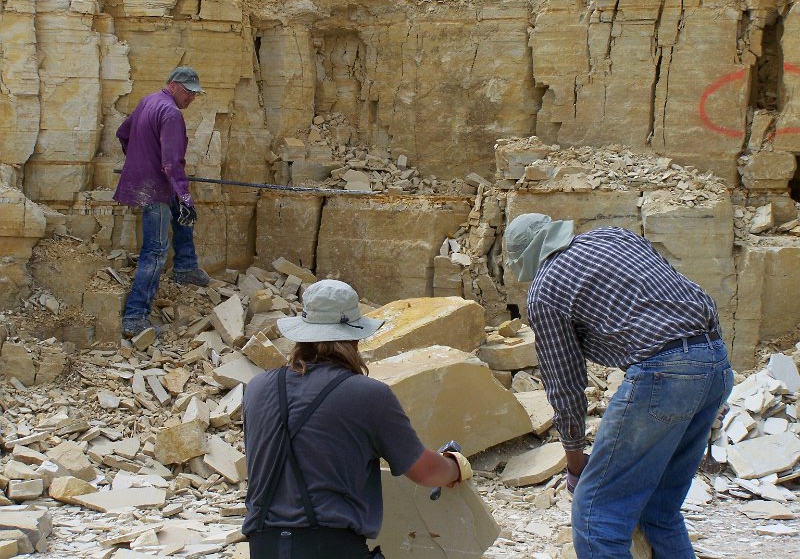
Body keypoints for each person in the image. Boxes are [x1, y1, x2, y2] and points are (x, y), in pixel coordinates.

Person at [504, 214, 733, 559]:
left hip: (663, 372)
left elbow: (565, 384)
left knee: (597, 512)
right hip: (715, 358)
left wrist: (575, 461)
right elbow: (679, 289)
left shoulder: (545, 291)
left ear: (526, 260)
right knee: (660, 508)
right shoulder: (614, 236)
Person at [242, 279, 473, 559]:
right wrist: (453, 466)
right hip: (330, 548)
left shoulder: (257, 388)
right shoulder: (368, 395)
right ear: (355, 337)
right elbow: (424, 471)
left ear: (302, 335)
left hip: (263, 547)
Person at [114, 67, 211, 338]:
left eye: (195, 93)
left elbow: (123, 134)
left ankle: (186, 267)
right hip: (156, 188)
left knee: (182, 215)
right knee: (155, 251)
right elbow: (171, 163)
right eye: (189, 92)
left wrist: (138, 160)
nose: (192, 98)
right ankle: (135, 316)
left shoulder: (148, 101)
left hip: (149, 182)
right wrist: (185, 195)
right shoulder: (170, 114)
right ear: (175, 85)